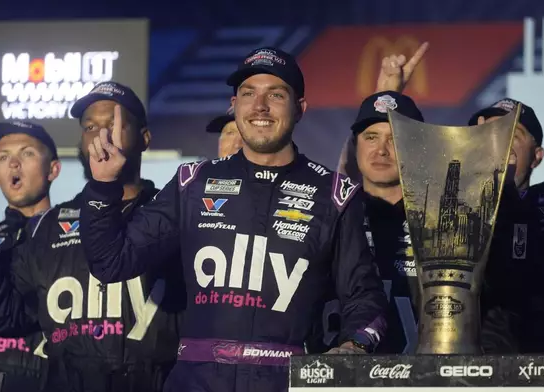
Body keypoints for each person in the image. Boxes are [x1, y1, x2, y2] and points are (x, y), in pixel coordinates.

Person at [78, 47, 387, 392]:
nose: (260, 107)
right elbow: (111, 262)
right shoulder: (192, 183)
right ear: (234, 105)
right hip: (196, 380)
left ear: (300, 109)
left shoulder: (335, 194)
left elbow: (364, 295)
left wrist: (355, 345)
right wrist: (103, 187)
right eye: (248, 94)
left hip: (287, 380)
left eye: (276, 94)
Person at [0, 82, 184, 392]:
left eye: (114, 124)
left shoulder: (174, 216)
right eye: (90, 127)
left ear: (145, 137)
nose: (101, 136)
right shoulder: (47, 226)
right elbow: (9, 319)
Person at [0, 121, 60, 391]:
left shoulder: (73, 240)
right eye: (3, 157)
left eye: (27, 153)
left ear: (53, 170)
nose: (13, 164)